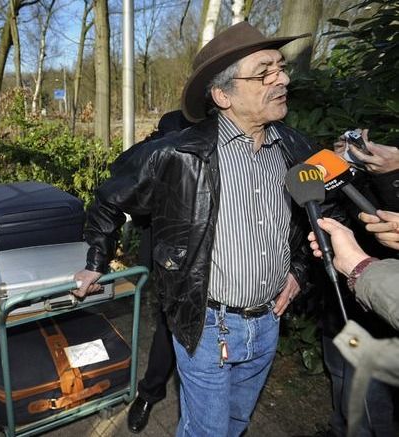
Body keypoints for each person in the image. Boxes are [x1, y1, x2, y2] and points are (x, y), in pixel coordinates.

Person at [74, 22, 332, 436]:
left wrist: (299, 271)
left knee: (236, 423)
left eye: (280, 68)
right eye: (264, 72)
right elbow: (110, 196)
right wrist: (96, 260)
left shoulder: (294, 147)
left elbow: (316, 216)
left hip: (268, 322)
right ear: (223, 95)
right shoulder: (178, 153)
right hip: (208, 326)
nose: (282, 79)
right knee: (207, 431)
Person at [125, 110, 192, 434]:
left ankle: (195, 410)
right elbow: (132, 194)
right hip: (169, 258)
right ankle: (149, 393)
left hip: (214, 264)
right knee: (169, 326)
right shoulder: (167, 133)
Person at [308, 217, 399, 436]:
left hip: (377, 320)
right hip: (337, 306)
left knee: (364, 400)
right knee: (339, 375)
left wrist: (359, 266)